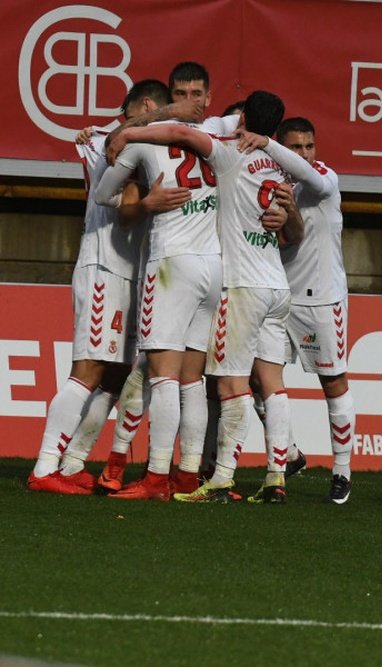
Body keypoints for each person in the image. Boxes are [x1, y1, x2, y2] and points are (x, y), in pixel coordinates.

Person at [109, 91, 335, 503]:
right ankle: (275, 477)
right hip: (276, 285)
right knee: (272, 384)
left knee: (230, 384)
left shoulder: (230, 152)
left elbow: (181, 132)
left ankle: (221, 480)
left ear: (244, 116)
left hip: (241, 284)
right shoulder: (282, 168)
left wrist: (129, 132)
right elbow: (298, 216)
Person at [28, 80, 191, 494]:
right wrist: (149, 205)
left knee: (116, 374)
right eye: (171, 109)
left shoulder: (131, 137)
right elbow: (125, 208)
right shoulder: (110, 138)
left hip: (134, 272)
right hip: (104, 267)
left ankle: (73, 462)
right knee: (87, 369)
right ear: (151, 107)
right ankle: (45, 467)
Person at [93, 97, 227, 501]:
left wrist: (144, 203)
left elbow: (102, 195)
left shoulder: (139, 143)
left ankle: (154, 480)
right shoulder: (210, 138)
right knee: (192, 379)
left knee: (163, 375)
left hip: (171, 265)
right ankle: (187, 478)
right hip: (213, 265)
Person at [273, 117, 356, 505]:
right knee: (261, 378)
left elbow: (313, 177)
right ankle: (289, 454)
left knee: (333, 383)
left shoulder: (324, 179)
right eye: (295, 147)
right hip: (276, 296)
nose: (304, 154)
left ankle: (342, 471)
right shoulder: (266, 183)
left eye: (309, 146)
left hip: (322, 299)